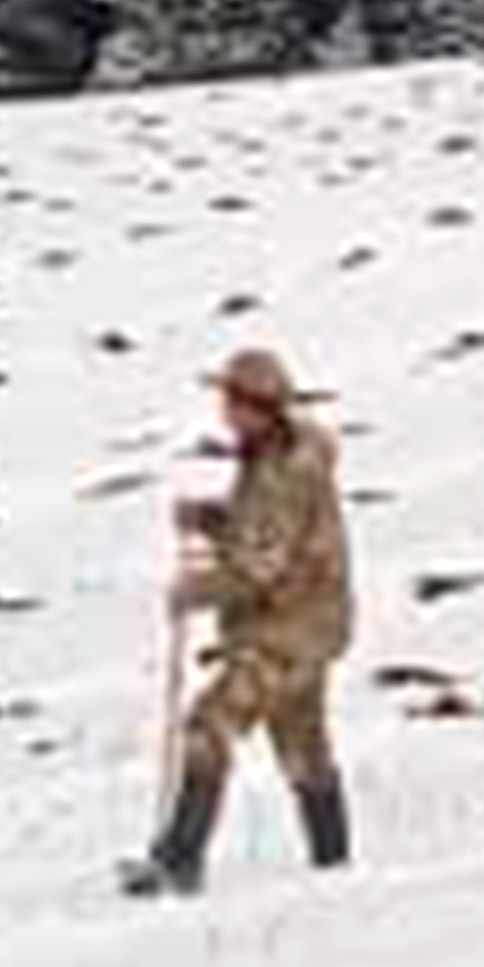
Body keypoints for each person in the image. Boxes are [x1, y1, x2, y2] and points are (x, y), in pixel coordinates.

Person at [130, 345, 357, 897]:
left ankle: (179, 862)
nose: (222, 412)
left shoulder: (282, 471)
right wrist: (212, 518)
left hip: (288, 629)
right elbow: (261, 533)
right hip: (311, 623)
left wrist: (195, 592)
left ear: (252, 406)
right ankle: (336, 868)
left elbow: (258, 566)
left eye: (228, 400)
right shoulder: (276, 455)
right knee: (303, 746)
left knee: (210, 726)